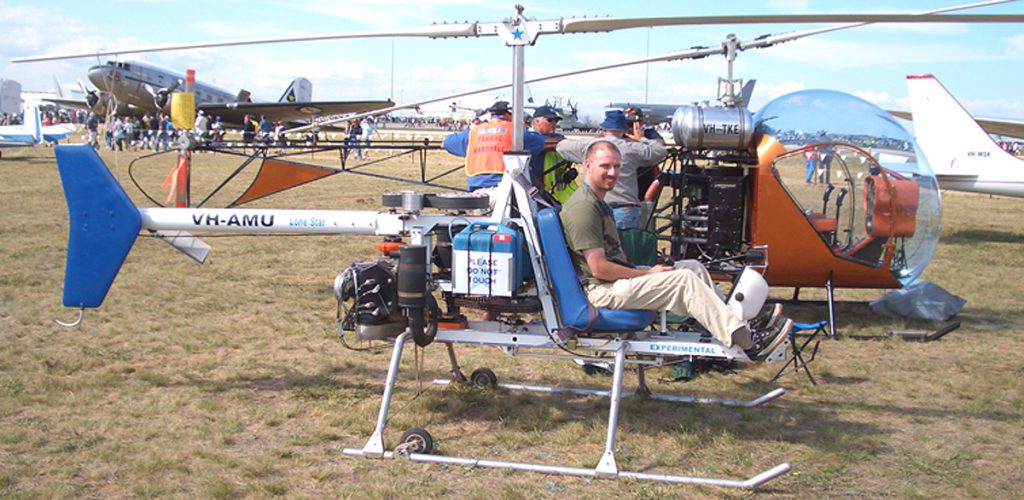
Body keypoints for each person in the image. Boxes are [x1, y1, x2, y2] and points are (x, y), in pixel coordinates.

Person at [559, 140, 791, 360]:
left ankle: (736, 324)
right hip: (601, 292)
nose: (612, 172)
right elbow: (599, 269)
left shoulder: (596, 202)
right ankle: (749, 344)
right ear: (587, 166)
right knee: (683, 280)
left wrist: (649, 270)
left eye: (617, 166)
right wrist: (648, 274)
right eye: (605, 166)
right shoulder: (584, 208)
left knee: (694, 267)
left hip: (612, 283)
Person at [557, 110, 667, 230]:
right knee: (625, 247)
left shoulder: (589, 146)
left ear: (604, 129)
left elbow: (561, 147)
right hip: (625, 210)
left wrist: (596, 139)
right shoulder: (631, 148)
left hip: (595, 208)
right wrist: (641, 138)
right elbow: (660, 151)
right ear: (625, 130)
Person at [442, 100, 546, 193]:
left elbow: (447, 143)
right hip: (506, 188)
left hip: (477, 190)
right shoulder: (514, 131)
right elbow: (539, 142)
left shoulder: (474, 131)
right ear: (508, 115)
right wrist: (524, 128)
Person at [529, 105, 574, 203]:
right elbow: (558, 144)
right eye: (549, 120)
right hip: (536, 196)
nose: (554, 124)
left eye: (556, 121)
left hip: (556, 195)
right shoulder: (529, 136)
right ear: (537, 121)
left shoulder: (558, 136)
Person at [622, 106, 665, 201]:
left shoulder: (648, 133)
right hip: (628, 178)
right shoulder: (621, 136)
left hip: (646, 177)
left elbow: (660, 145)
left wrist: (641, 138)